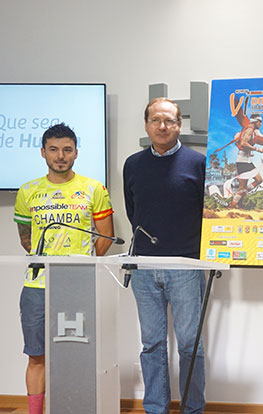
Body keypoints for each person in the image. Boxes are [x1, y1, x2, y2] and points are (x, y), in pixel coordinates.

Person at [14, 123, 114, 414]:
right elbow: (25, 238)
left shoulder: (94, 188)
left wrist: (79, 269)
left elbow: (105, 238)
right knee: (36, 356)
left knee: (79, 354)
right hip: (36, 286)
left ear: (76, 153)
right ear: (43, 152)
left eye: (67, 150)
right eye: (54, 150)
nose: (61, 156)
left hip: (79, 286)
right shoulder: (27, 191)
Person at [123, 98, 207, 414]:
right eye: (156, 120)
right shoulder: (133, 164)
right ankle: (155, 408)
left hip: (185, 264)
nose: (162, 126)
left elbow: (207, 213)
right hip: (144, 267)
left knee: (190, 345)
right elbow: (135, 211)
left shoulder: (198, 163)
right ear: (146, 124)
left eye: (169, 121)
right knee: (152, 345)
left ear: (179, 125)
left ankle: (192, 408)